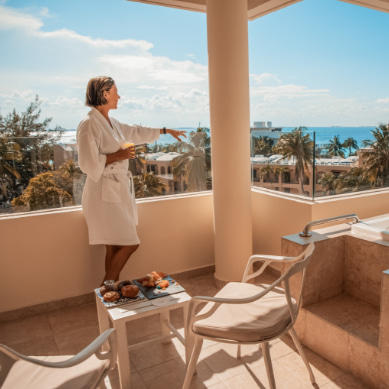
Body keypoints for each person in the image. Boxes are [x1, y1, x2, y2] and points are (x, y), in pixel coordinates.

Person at [77, 76, 186, 285]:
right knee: (130, 243)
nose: (119, 96)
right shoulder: (89, 124)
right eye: (115, 92)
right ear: (105, 93)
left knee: (113, 245)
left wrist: (165, 131)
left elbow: (135, 131)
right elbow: (87, 164)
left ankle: (112, 292)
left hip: (116, 189)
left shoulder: (112, 122)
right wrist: (120, 155)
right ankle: (104, 289)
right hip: (102, 192)